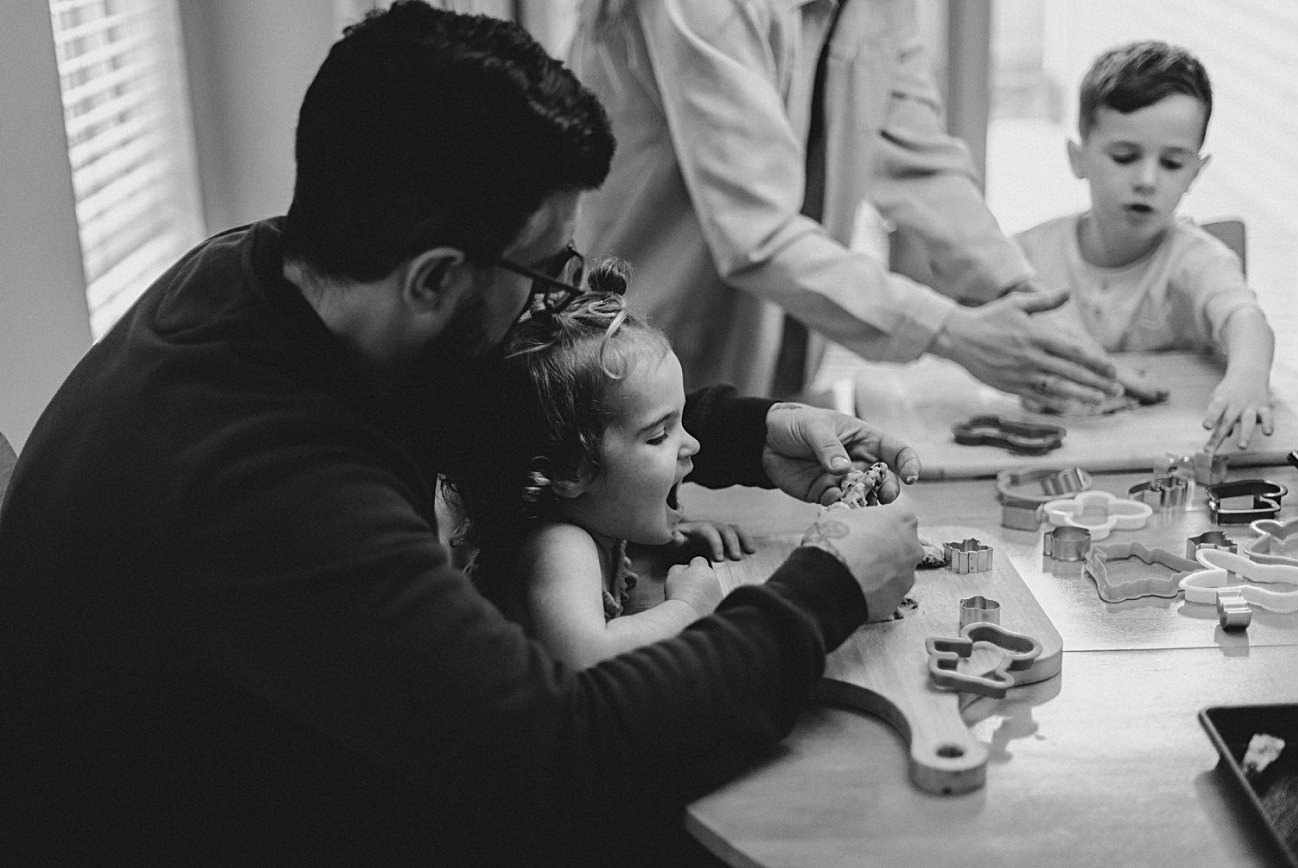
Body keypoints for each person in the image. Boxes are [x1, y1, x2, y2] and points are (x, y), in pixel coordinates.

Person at [0, 3, 924, 865]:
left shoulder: (279, 276)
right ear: (436, 279)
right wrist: (825, 590)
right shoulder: (268, 482)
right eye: (547, 272)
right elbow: (571, 759)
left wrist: (745, 434)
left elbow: (504, 393)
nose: (557, 300)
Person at [567, 0, 1122, 411]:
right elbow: (756, 234)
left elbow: (920, 162)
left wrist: (1026, 304)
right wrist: (952, 331)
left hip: (774, 361)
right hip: (643, 347)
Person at [444, 261, 754, 668]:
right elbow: (589, 656)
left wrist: (670, 535)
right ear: (572, 471)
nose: (691, 444)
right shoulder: (559, 546)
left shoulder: (591, 519)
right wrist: (689, 607)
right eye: (659, 435)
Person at [1014, 40, 1275, 452]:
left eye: (1172, 163)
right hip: (1052, 452)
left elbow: (1246, 318)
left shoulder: (1197, 259)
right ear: (1077, 158)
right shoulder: (1026, 256)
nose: (1147, 180)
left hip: (1168, 457)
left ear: (1196, 172)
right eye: (1124, 156)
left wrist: (1247, 378)